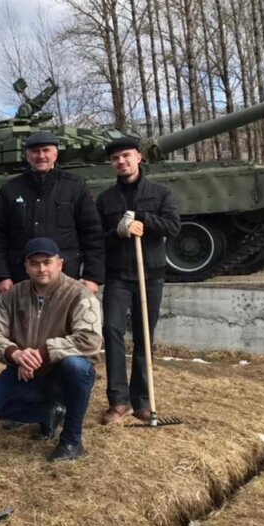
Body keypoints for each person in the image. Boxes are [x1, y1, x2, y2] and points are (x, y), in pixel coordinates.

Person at [0, 237, 102, 461]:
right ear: (26, 267)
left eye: (47, 262)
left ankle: (72, 441)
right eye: (34, 263)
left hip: (61, 371)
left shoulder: (80, 295)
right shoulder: (12, 296)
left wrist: (42, 353)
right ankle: (47, 413)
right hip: (25, 371)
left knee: (77, 366)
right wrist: (16, 354)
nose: (41, 268)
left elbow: (89, 339)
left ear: (59, 263)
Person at [96, 137, 181, 425]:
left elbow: (173, 226)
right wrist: (118, 231)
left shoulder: (160, 194)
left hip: (151, 275)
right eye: (115, 158)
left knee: (145, 336)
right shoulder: (106, 199)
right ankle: (118, 401)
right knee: (112, 331)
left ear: (138, 158)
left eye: (126, 156)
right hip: (118, 276)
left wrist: (143, 218)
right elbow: (97, 240)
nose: (121, 162)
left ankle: (142, 401)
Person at [0, 131, 104, 297]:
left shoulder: (75, 187)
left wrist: (92, 276)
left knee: (64, 322)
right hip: (21, 278)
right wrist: (1, 276)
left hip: (66, 277)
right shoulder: (11, 190)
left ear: (55, 154)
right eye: (35, 151)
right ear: (27, 157)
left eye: (46, 150)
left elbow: (92, 233)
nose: (40, 156)